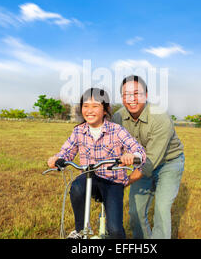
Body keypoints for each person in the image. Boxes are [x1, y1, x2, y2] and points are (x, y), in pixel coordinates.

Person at [47, 88, 146, 239]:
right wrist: (56, 159)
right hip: (89, 179)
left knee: (115, 231)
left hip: (113, 182)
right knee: (77, 187)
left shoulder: (117, 130)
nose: (89, 110)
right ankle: (80, 231)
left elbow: (138, 150)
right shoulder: (79, 131)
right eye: (85, 106)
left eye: (95, 106)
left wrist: (133, 156)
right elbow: (67, 152)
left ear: (105, 110)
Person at [112, 75, 185, 239]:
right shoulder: (118, 118)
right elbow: (113, 149)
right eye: (126, 95)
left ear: (146, 95)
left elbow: (149, 162)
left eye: (136, 94)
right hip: (141, 163)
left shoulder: (160, 117)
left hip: (168, 163)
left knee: (161, 208)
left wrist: (125, 182)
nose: (131, 99)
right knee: (135, 211)